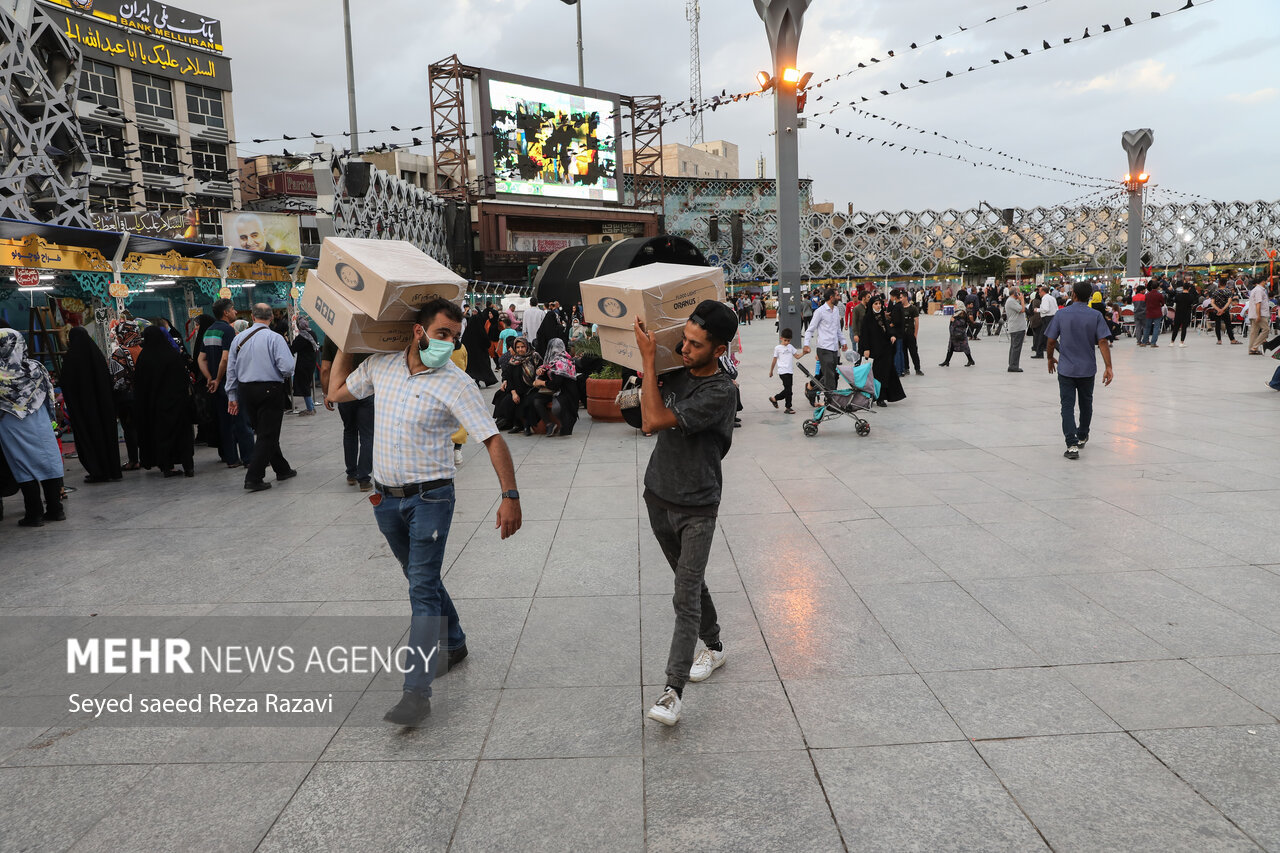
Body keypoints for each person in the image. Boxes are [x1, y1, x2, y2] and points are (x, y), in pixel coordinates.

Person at [327, 297, 523, 728]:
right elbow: (336, 392)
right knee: (422, 578)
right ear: (419, 332)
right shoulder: (382, 366)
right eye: (441, 334)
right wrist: (347, 338)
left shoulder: (456, 383)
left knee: (420, 587)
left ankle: (415, 693)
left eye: (453, 336)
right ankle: (454, 640)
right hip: (385, 499)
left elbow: (491, 438)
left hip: (431, 499)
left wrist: (510, 495)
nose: (449, 344)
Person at [633, 300, 739, 727]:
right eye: (684, 340)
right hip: (658, 494)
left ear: (718, 350)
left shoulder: (721, 390)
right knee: (687, 581)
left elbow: (655, 418)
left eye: (696, 345)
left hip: (697, 505)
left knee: (684, 593)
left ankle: (671, 691)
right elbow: (642, 419)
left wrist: (646, 362)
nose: (684, 349)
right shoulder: (674, 369)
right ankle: (713, 645)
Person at [225, 303, 297, 492]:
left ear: (252, 316)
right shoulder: (275, 338)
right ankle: (254, 477)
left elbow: (230, 370)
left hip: (245, 391)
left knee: (265, 431)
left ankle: (282, 469)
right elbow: (288, 368)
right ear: (271, 317)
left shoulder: (238, 339)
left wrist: (231, 395)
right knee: (268, 434)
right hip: (269, 390)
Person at [0, 328, 65, 526]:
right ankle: (56, 509)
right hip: (40, 419)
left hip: (11, 423)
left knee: (23, 466)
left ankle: (34, 513)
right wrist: (52, 418)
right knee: (49, 462)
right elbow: (49, 393)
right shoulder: (36, 367)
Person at [1045, 281, 1114, 460]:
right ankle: (1082, 435)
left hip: (1066, 369)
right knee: (1086, 404)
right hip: (1087, 369)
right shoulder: (1096, 316)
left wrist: (1050, 357)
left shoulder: (1061, 314)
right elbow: (1103, 342)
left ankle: (1072, 444)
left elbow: (1051, 340)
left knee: (1067, 406)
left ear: (1073, 294)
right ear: (1089, 296)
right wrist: (1109, 367)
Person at [59, 327, 122, 483]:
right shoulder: (97, 356)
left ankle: (97, 470)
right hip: (104, 408)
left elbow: (66, 384)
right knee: (107, 437)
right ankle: (112, 470)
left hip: (83, 411)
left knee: (89, 437)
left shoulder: (71, 359)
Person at [198, 299, 254, 469]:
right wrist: (218, 378)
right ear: (226, 312)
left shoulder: (208, 331)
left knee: (224, 422)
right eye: (233, 310)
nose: (235, 312)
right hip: (229, 384)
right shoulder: (228, 331)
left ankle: (231, 459)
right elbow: (225, 358)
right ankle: (249, 458)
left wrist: (209, 378)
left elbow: (201, 359)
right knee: (241, 420)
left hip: (215, 386)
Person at [134, 325, 195, 478]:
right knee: (183, 435)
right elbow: (183, 379)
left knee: (163, 436)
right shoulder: (172, 355)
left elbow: (140, 386)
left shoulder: (144, 358)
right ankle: (188, 467)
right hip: (178, 404)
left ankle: (167, 467)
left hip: (156, 406)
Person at [320, 339, 373, 491]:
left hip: (344, 390)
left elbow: (325, 368)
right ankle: (364, 479)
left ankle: (351, 474)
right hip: (367, 391)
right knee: (367, 435)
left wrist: (327, 393)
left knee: (349, 431)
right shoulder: (367, 331)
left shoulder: (333, 335)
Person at [859, 293, 905, 405]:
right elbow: (864, 334)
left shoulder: (883, 316)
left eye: (879, 303)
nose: (878, 306)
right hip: (875, 351)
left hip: (886, 349)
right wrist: (866, 348)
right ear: (871, 305)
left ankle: (883, 397)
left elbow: (888, 329)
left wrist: (892, 335)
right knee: (878, 374)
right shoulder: (868, 318)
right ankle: (877, 396)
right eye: (876, 304)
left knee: (887, 373)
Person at [109, 320, 142, 471]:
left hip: (126, 399)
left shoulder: (119, 353)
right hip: (143, 396)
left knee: (129, 429)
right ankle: (146, 458)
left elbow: (118, 381)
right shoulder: (143, 350)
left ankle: (133, 460)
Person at [530, 338, 579, 436]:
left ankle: (564, 425)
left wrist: (541, 382)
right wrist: (540, 371)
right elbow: (547, 371)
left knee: (556, 408)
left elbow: (556, 384)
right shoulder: (551, 360)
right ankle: (549, 424)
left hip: (566, 392)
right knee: (536, 400)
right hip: (552, 390)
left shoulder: (563, 362)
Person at [800, 288, 846, 393]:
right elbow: (810, 329)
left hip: (834, 348)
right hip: (824, 348)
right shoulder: (819, 312)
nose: (839, 297)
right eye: (837, 295)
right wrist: (806, 344)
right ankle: (831, 399)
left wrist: (843, 342)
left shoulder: (836, 310)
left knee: (830, 374)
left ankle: (811, 389)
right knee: (830, 376)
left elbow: (838, 329)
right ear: (831, 297)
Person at [189, 314, 220, 448]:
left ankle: (209, 435)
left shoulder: (204, 338)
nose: (196, 328)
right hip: (212, 377)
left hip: (207, 379)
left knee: (208, 410)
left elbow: (200, 359)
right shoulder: (209, 336)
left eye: (197, 325)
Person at [290, 316, 320, 416]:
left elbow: (292, 349)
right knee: (306, 384)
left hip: (303, 364)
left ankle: (310, 408)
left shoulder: (302, 337)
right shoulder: (312, 333)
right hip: (311, 363)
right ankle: (311, 406)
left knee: (304, 386)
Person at [460, 308, 497, 387]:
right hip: (480, 354)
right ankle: (478, 380)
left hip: (470, 354)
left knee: (471, 368)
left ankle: (474, 380)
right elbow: (486, 342)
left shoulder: (467, 332)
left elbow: (463, 342)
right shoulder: (480, 330)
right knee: (481, 366)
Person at [768, 328, 800, 414]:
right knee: (788, 390)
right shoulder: (777, 348)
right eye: (785, 340)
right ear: (781, 338)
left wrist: (804, 353)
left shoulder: (790, 347)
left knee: (788, 389)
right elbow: (774, 360)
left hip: (790, 371)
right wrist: (771, 371)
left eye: (788, 341)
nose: (787, 342)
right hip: (782, 371)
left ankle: (775, 399)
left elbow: (797, 356)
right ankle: (788, 407)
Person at [897, 289, 922, 375]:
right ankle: (906, 368)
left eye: (901, 297)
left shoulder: (913, 308)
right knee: (903, 352)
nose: (900, 299)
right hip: (902, 334)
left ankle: (917, 369)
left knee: (914, 352)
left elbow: (917, 322)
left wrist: (915, 334)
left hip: (910, 334)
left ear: (905, 297)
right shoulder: (899, 308)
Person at [1005, 286, 1028, 372]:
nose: (1020, 294)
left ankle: (1012, 364)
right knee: (1016, 347)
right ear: (1015, 293)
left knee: (1014, 346)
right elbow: (1022, 310)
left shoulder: (1012, 301)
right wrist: (1022, 299)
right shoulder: (1011, 301)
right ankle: (1013, 366)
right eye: (1018, 292)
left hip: (1016, 326)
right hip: (1017, 327)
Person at [1246, 278, 1271, 354]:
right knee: (1266, 330)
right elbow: (1258, 303)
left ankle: (1252, 349)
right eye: (1267, 280)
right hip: (1260, 314)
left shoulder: (1257, 290)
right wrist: (1259, 315)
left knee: (1254, 332)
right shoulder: (1259, 290)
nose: (1268, 282)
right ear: (1263, 281)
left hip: (1255, 314)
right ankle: (1254, 347)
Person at [1168, 280, 1196, 347]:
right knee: (1184, 328)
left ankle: (1172, 342)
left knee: (1176, 328)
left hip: (1178, 313)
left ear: (1182, 288)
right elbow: (1192, 303)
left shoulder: (1178, 296)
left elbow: (1174, 301)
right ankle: (1181, 342)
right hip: (1186, 313)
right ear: (1189, 288)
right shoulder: (1191, 296)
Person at [1139, 283, 1165, 347]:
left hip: (1148, 313)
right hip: (1157, 313)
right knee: (1156, 328)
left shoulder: (1147, 295)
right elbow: (1163, 303)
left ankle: (1144, 342)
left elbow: (1144, 303)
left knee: (1147, 328)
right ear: (1158, 287)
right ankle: (1153, 343)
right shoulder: (1159, 295)